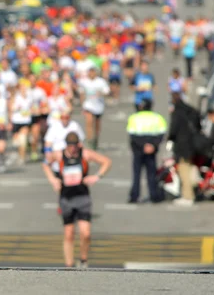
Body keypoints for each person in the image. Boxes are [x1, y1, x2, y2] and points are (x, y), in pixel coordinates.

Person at [42, 132, 112, 268]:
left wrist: (96, 176)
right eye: (69, 146)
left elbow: (106, 162)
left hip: (82, 196)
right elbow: (45, 164)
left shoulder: (85, 154)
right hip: (66, 197)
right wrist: (53, 180)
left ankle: (84, 260)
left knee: (86, 233)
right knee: (69, 233)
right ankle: (69, 265)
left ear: (78, 144)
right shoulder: (58, 155)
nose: (72, 149)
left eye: (74, 146)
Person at [126, 99, 167, 204]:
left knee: (137, 174)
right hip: (152, 150)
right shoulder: (157, 117)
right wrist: (152, 145)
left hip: (138, 149)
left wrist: (143, 145)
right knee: (152, 174)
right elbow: (162, 133)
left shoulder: (134, 117)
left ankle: (134, 196)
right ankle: (154, 196)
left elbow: (132, 135)